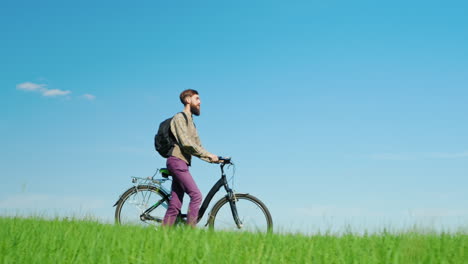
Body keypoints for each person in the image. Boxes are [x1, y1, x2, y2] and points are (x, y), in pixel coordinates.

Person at [163, 89, 220, 227]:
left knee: (175, 204)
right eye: (197, 99)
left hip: (182, 163)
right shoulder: (180, 118)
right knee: (196, 196)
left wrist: (215, 158)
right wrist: (208, 155)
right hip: (177, 161)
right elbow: (186, 143)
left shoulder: (192, 123)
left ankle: (163, 235)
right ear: (188, 100)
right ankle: (190, 233)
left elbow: (197, 146)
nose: (200, 102)